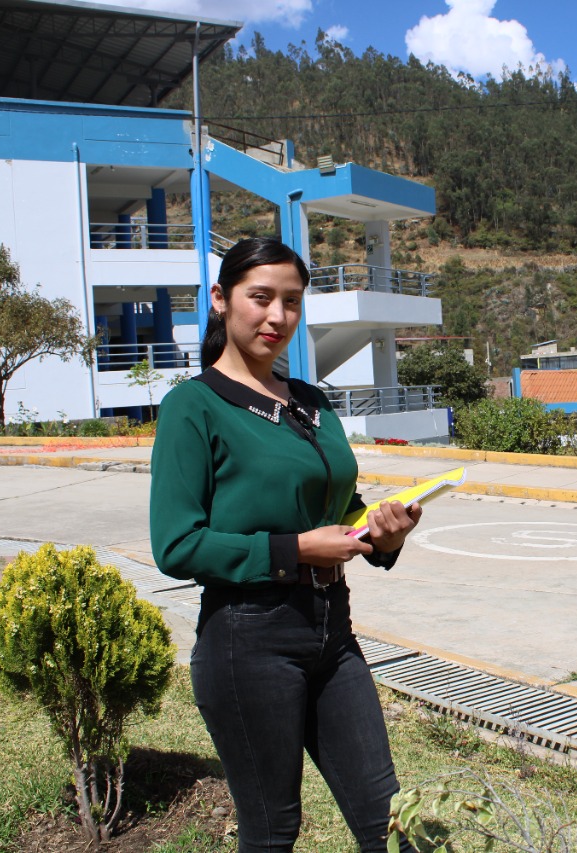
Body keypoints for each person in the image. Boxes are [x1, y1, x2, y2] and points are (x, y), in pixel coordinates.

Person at [150, 237, 421, 852]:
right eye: (261, 298)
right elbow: (177, 545)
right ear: (221, 301)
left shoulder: (311, 403)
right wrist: (295, 549)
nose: (277, 317)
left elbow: (331, 514)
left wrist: (379, 533)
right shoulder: (192, 407)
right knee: (273, 830)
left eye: (292, 302)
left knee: (394, 821)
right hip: (248, 638)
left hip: (332, 631)